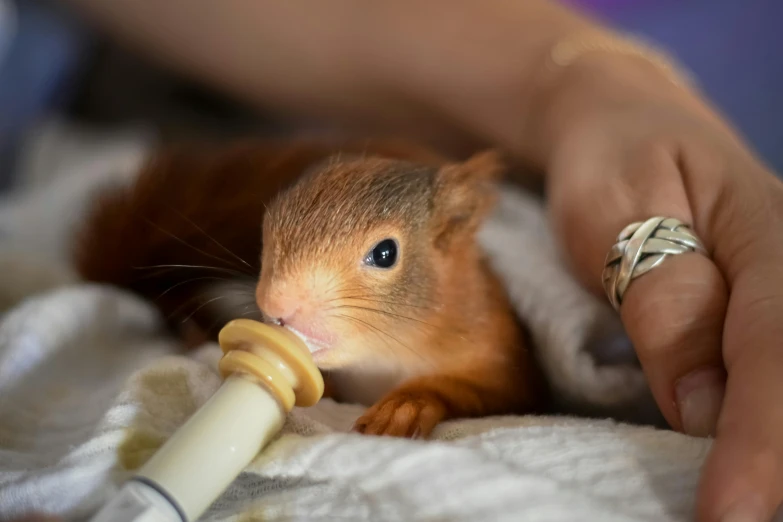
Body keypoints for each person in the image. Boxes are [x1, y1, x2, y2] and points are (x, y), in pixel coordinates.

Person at [29, 1, 783, 521]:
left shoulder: (466, 319)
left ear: (448, 236)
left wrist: (579, 84)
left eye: (381, 257)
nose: (277, 303)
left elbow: (504, 374)